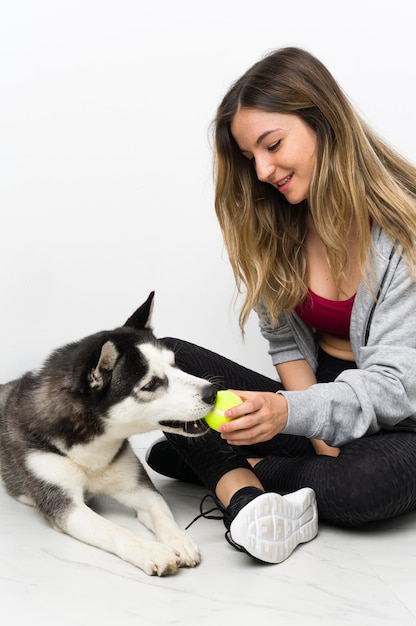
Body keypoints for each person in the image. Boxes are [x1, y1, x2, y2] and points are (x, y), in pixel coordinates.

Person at [146, 46, 416, 564]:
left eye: (272, 145)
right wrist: (312, 436)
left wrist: (288, 416)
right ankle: (246, 499)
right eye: (251, 158)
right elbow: (287, 346)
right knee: (161, 361)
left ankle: (223, 465)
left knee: (364, 486)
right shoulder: (280, 224)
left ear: (324, 123)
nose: (264, 170)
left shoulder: (403, 231)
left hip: (398, 418)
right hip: (319, 403)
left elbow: (393, 385)